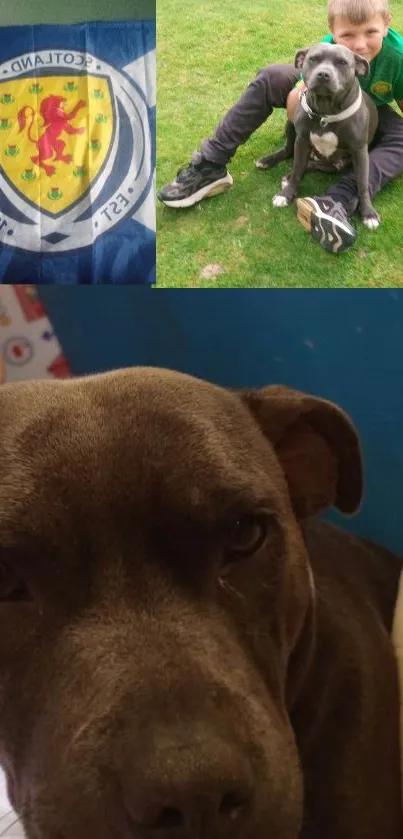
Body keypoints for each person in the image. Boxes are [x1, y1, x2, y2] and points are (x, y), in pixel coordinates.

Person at [158, 0, 403, 254]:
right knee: (271, 76)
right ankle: (210, 163)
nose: (359, 44)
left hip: (370, 107)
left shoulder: (399, 56)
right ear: (333, 31)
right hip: (319, 98)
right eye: (347, 35)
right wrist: (302, 108)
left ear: (386, 25)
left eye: (370, 33)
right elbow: (298, 95)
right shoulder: (324, 54)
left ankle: (341, 197)